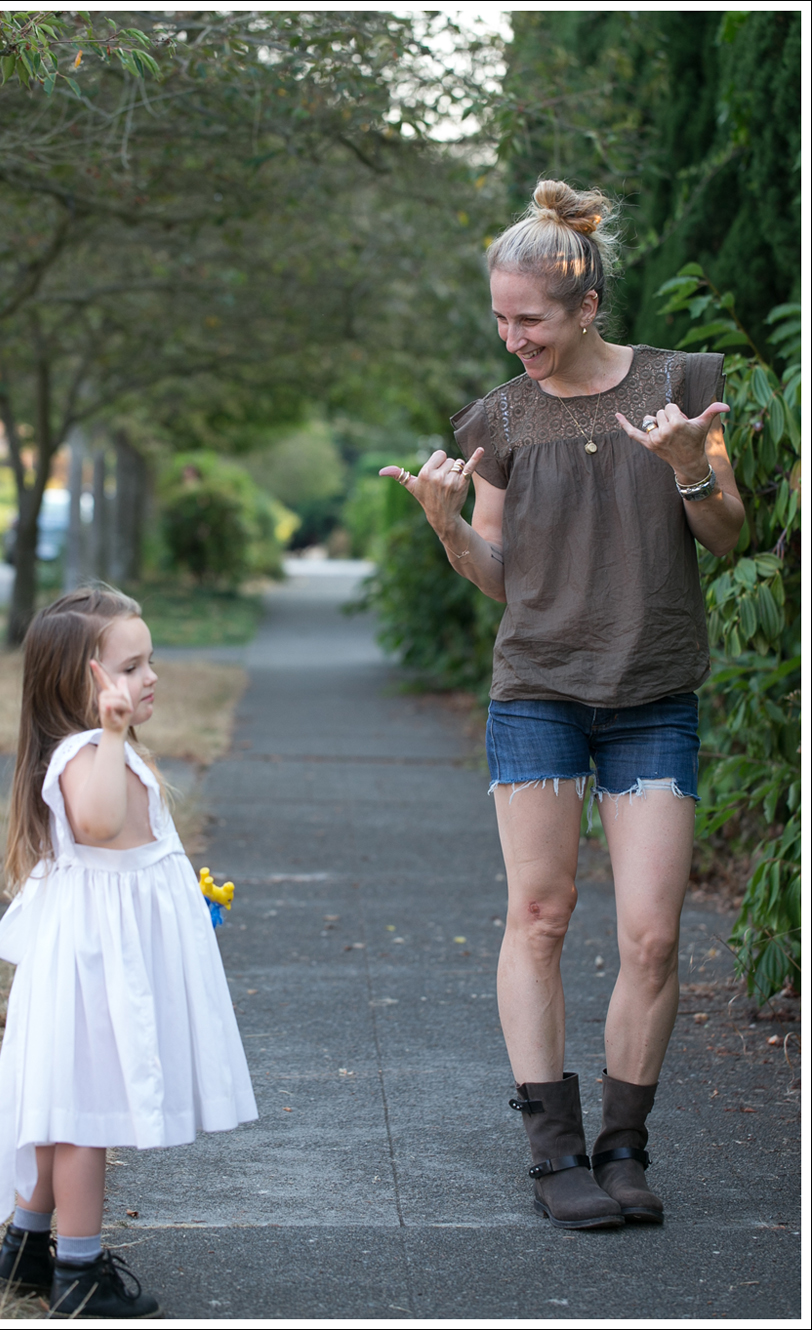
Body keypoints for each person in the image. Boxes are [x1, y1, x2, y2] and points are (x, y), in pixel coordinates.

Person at [380, 179, 745, 1230]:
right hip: (538, 690)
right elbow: (501, 577)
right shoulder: (498, 418)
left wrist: (689, 467)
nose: (514, 338)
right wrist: (449, 526)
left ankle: (624, 1148)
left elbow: (729, 535)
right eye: (501, 319)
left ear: (588, 307)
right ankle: (554, 1157)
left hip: (652, 694)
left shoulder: (681, 388)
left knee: (653, 937)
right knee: (539, 916)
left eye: (530, 319)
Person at [0, 586, 257, 1316]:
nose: (150, 678)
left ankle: (25, 1248)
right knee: (85, 1118)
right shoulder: (85, 754)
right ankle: (78, 1274)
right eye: (131, 668)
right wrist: (109, 734)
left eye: (149, 661)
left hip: (99, 959)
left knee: (66, 1107)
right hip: (92, 969)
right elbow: (100, 825)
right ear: (82, 684)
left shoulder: (104, 750)